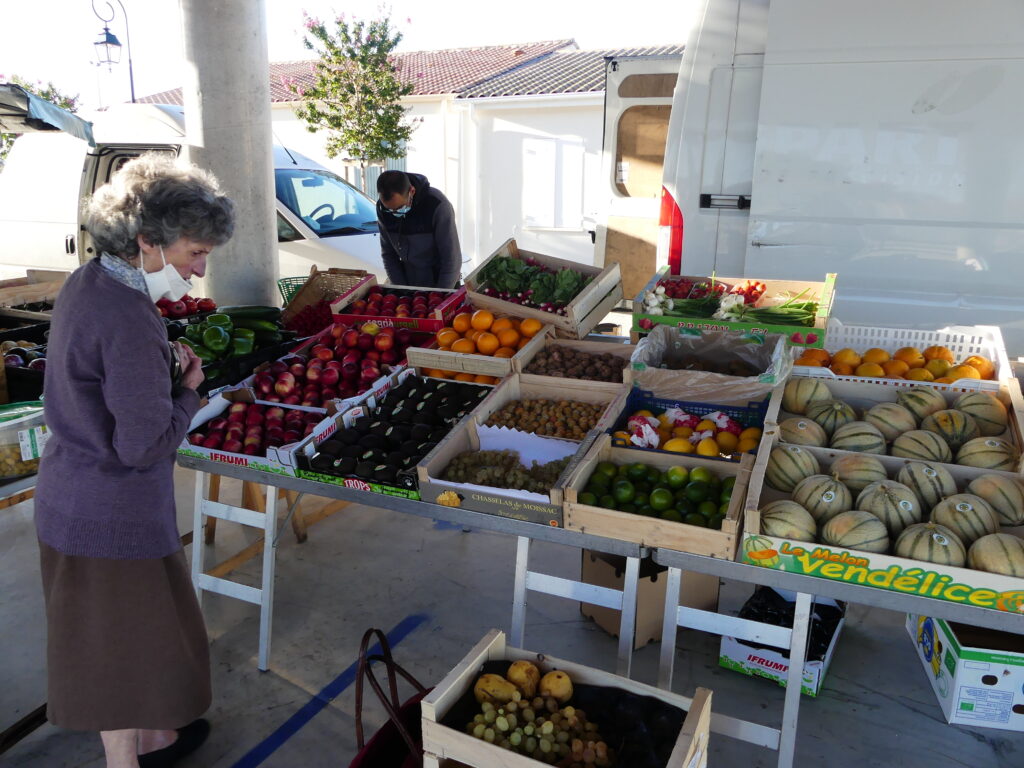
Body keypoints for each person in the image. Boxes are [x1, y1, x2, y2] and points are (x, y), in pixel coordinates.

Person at [34, 153, 234, 768]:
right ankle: (130, 758)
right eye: (195, 253)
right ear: (148, 241)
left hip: (68, 495)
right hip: (113, 516)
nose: (200, 271)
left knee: (129, 637)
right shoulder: (129, 318)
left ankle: (157, 737)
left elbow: (97, 384)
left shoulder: (87, 282)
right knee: (118, 650)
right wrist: (189, 391)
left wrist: (156, 376)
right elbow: (142, 445)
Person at [376, 170, 462, 288]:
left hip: (442, 283)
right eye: (389, 210)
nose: (394, 213)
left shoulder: (437, 205)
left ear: (412, 191)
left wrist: (442, 296)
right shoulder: (382, 208)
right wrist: (403, 291)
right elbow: (388, 255)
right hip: (409, 283)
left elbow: (451, 259)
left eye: (400, 208)